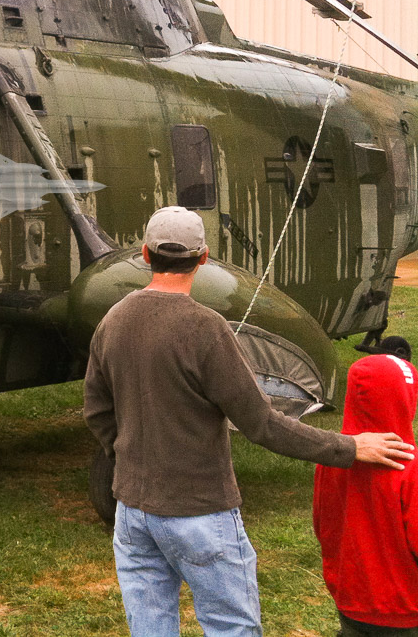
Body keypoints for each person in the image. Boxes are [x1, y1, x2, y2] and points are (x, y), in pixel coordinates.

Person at [84, 206, 413, 637]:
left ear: (145, 254)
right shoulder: (207, 328)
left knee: (149, 626)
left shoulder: (112, 320)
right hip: (200, 512)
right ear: (203, 258)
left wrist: (129, 459)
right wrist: (349, 447)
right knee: (231, 626)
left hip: (132, 513)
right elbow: (262, 424)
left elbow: (97, 411)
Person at [313, 350, 418, 636]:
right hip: (405, 610)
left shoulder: (332, 460)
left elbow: (322, 526)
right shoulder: (408, 467)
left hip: (350, 599)